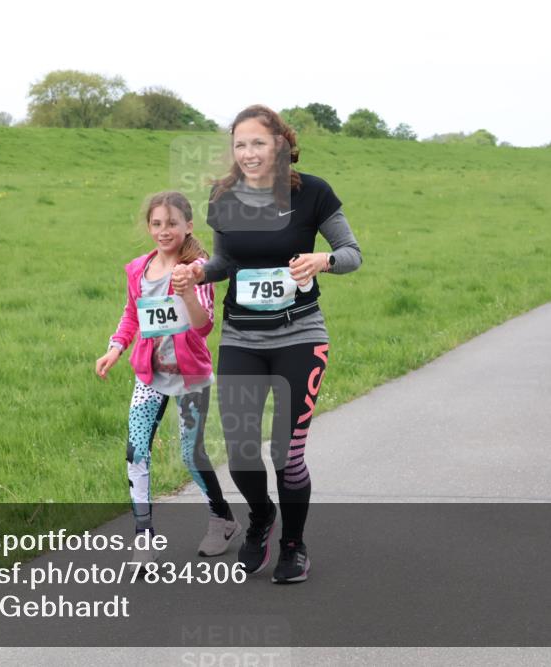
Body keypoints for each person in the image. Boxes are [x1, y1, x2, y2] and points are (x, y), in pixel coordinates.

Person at [173, 105, 361, 584]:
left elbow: (351, 254)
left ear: (280, 143)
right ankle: (261, 518)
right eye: (240, 144)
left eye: (258, 142)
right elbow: (225, 262)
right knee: (239, 450)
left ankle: (294, 545)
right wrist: (199, 271)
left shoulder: (314, 192)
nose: (249, 153)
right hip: (242, 337)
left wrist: (323, 260)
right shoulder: (223, 196)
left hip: (301, 335)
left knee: (287, 453)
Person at [96, 191, 240, 563]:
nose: (164, 231)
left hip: (190, 375)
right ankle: (144, 537)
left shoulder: (198, 268)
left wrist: (188, 291)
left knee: (192, 455)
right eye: (157, 224)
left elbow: (203, 324)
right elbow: (132, 315)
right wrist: (115, 348)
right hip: (150, 374)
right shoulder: (138, 270)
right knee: (135, 452)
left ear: (188, 226)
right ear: (149, 227)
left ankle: (221, 519)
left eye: (172, 223)